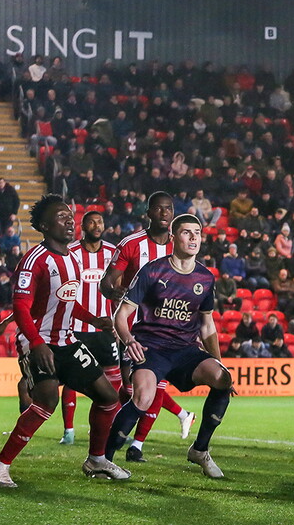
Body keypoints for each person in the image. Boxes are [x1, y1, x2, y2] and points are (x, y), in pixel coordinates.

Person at [0, 195, 130, 488]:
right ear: (43, 225)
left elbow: (66, 302)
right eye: (61, 217)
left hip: (67, 341)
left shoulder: (74, 258)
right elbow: (21, 307)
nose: (69, 221)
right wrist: (37, 343)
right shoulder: (34, 261)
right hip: (38, 342)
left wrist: (93, 319)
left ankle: (96, 459)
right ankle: (1, 466)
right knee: (47, 400)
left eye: (70, 216)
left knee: (108, 398)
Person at [105, 214, 232, 478]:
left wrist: (219, 361)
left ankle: (200, 450)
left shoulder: (206, 278)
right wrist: (129, 341)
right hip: (151, 347)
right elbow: (121, 314)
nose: (194, 237)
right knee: (142, 397)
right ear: (174, 238)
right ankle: (103, 460)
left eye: (197, 232)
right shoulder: (152, 270)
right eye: (187, 232)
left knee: (223, 379)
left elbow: (207, 326)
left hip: (185, 350)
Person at [100, 191, 195, 462]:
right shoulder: (131, 244)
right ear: (149, 213)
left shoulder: (181, 245)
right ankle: (121, 440)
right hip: (132, 329)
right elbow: (107, 283)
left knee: (154, 387)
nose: (165, 213)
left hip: (168, 330)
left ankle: (134, 446)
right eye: (159, 209)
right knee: (131, 390)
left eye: (169, 209)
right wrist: (120, 296)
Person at [59, 211, 121, 446]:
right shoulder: (71, 252)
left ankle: (108, 428)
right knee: (72, 380)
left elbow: (118, 286)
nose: (97, 225)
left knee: (114, 379)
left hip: (105, 329)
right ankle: (69, 430)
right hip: (76, 327)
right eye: (92, 222)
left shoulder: (112, 253)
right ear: (83, 226)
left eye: (100, 222)